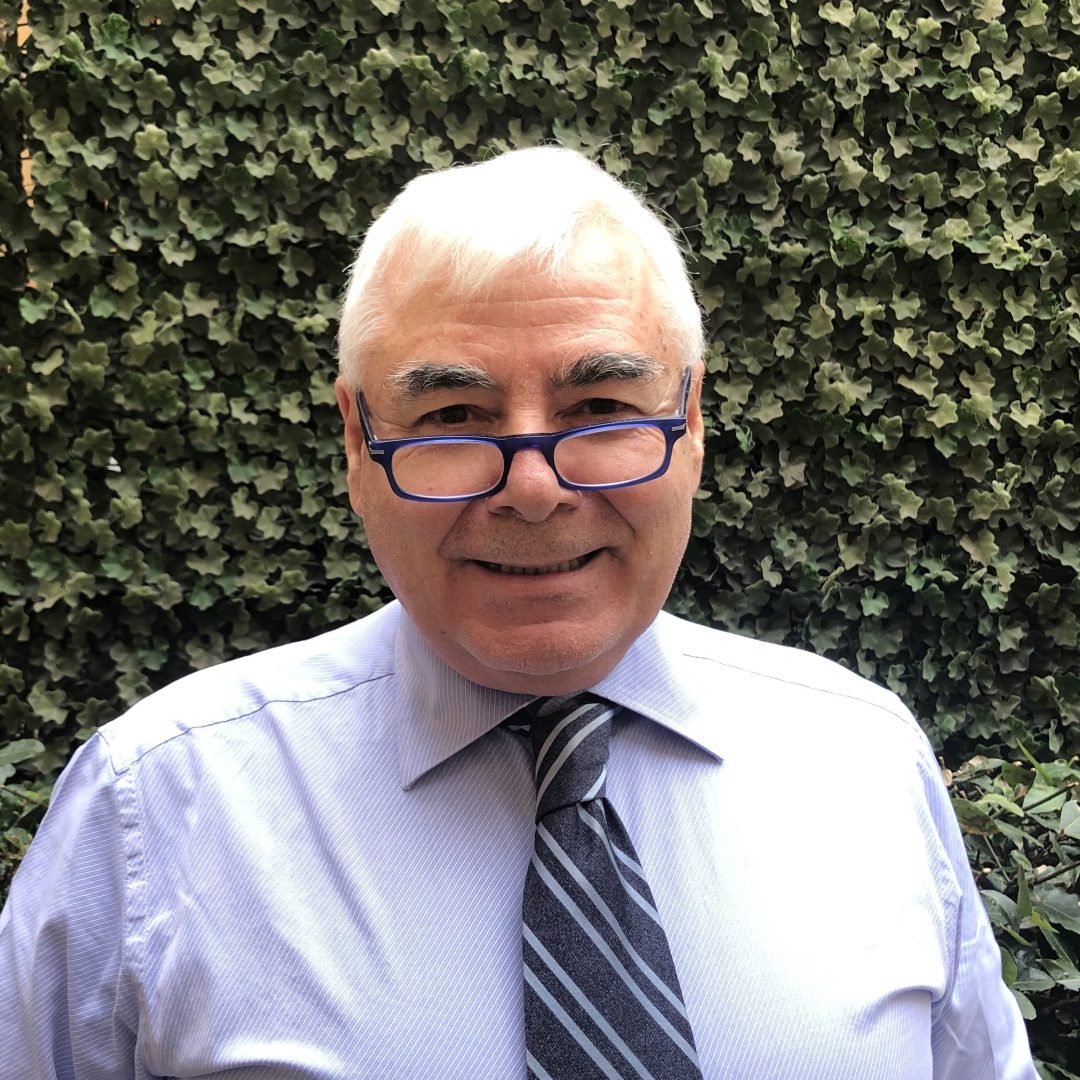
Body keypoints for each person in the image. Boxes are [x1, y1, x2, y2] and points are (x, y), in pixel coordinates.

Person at [0, 147, 1035, 1079]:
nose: (533, 489)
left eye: (601, 408)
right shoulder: (154, 811)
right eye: (454, 415)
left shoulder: (864, 760)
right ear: (358, 443)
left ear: (691, 423)